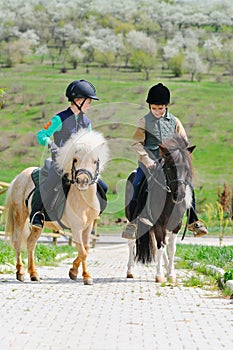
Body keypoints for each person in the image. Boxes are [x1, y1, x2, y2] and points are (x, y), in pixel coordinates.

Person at [122, 82, 208, 239]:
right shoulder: (144, 122)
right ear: (149, 106)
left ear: (166, 106)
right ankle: (132, 223)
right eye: (153, 108)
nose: (157, 111)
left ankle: (194, 221)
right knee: (136, 184)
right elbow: (136, 143)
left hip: (170, 164)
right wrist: (146, 159)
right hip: (149, 162)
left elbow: (183, 142)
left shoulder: (175, 122)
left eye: (160, 108)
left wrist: (181, 155)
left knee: (188, 186)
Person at [30, 79, 107, 228]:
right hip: (60, 163)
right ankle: (37, 214)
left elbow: (89, 142)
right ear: (78, 100)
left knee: (102, 187)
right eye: (89, 102)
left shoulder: (87, 122)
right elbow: (41, 135)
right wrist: (50, 144)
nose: (90, 105)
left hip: (79, 165)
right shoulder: (59, 119)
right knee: (50, 182)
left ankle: (92, 213)